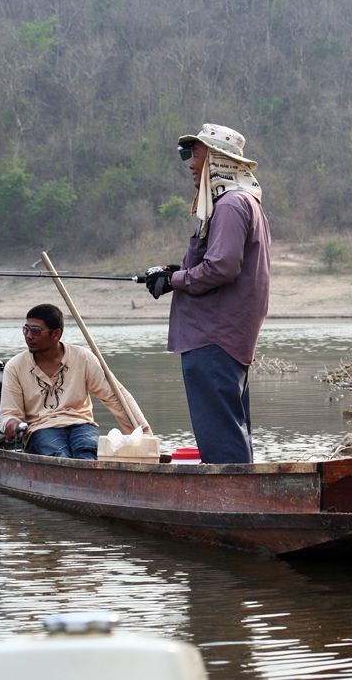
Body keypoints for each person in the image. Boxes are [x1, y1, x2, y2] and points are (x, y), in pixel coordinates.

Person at [145, 123, 271, 464]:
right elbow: (218, 262)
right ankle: (244, 499)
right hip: (225, 337)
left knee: (221, 435)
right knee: (232, 427)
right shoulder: (244, 202)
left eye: (196, 154)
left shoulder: (230, 205)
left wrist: (174, 282)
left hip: (212, 338)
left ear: (216, 160)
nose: (191, 164)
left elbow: (222, 268)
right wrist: (173, 272)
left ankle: (233, 505)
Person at [0, 303, 151, 458]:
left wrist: (143, 431)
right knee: (59, 455)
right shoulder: (15, 366)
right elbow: (8, 413)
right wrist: (11, 423)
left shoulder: (83, 358)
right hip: (41, 428)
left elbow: (116, 397)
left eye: (36, 331)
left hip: (81, 424)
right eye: (26, 329)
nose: (28, 336)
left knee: (88, 451)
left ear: (56, 334)